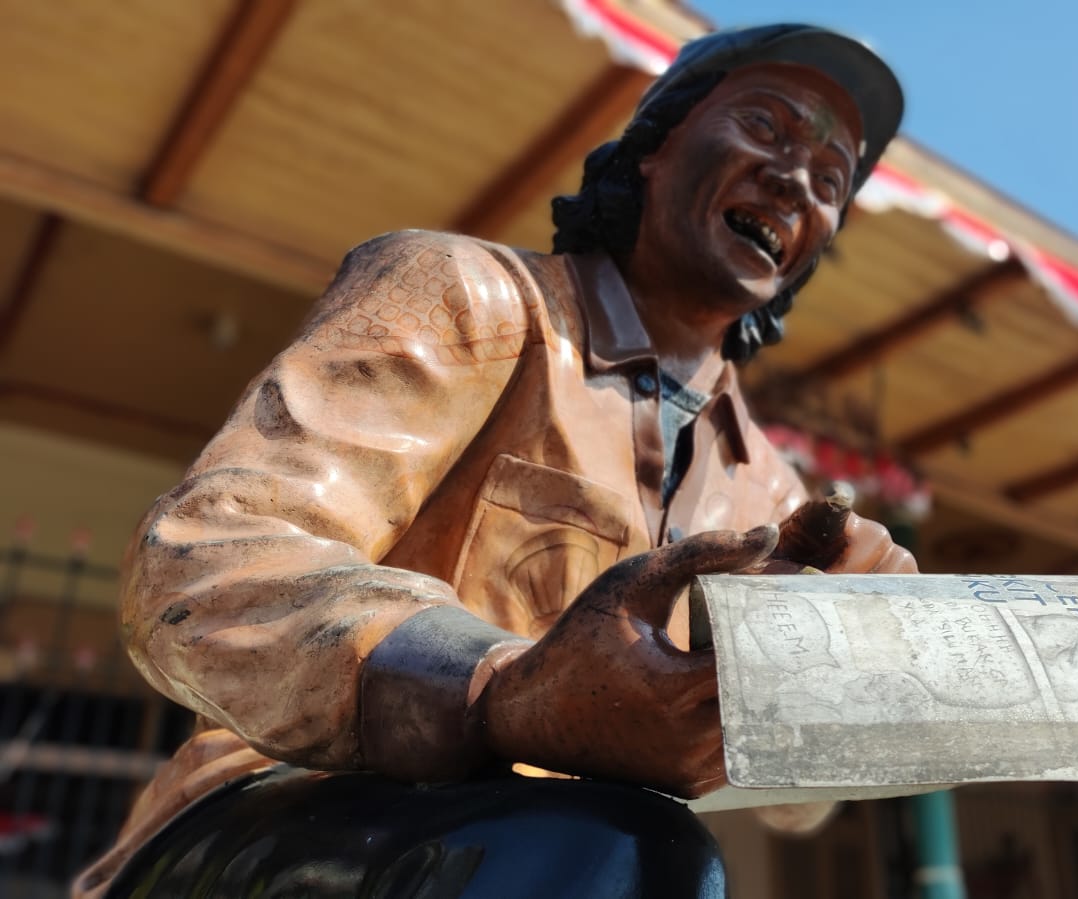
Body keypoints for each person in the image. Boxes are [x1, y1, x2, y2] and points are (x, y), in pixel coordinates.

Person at [76, 24, 912, 898]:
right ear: (655, 150)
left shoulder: (774, 489)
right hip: (292, 810)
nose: (794, 181)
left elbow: (794, 809)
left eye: (830, 180)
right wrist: (502, 687)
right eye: (766, 127)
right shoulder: (464, 295)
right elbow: (202, 563)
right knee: (615, 853)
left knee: (634, 853)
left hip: (591, 850)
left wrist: (838, 673)